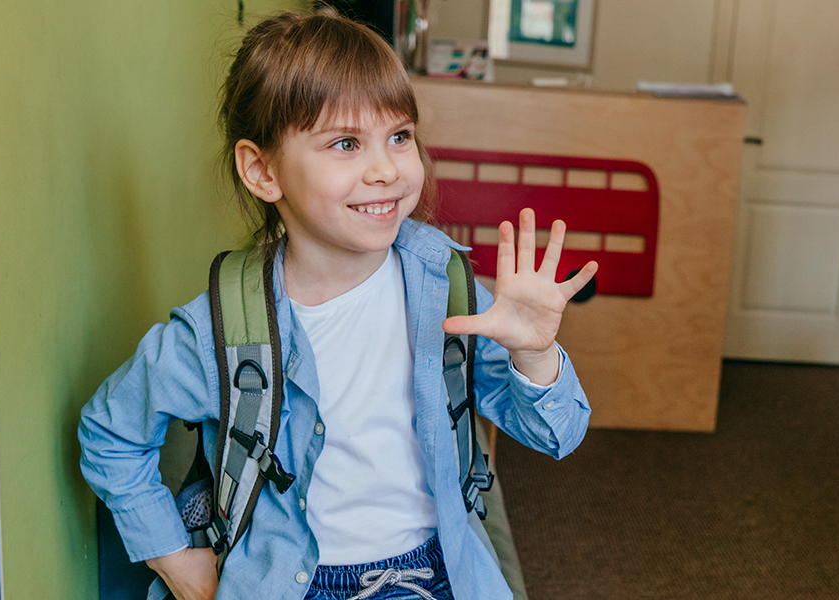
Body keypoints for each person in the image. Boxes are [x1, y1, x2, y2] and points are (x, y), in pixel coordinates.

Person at [78, 10, 596, 600]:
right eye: (346, 143)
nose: (386, 170)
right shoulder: (221, 332)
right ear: (262, 170)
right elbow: (110, 433)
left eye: (399, 136)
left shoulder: (443, 288)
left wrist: (536, 355)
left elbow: (559, 434)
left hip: (437, 573)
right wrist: (174, 558)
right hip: (292, 585)